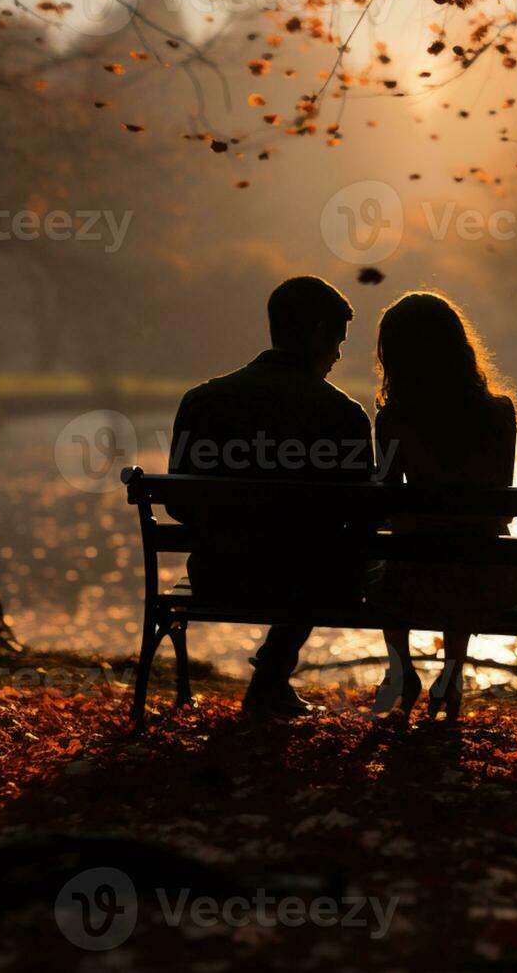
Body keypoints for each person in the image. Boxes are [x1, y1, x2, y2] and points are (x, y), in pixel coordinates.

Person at [169, 276, 373, 716]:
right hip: (311, 585)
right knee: (325, 559)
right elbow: (360, 520)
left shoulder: (201, 402)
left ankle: (270, 679)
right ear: (319, 332)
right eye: (338, 340)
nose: (338, 354)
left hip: (218, 577)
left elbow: (178, 504)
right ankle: (271, 674)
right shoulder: (343, 415)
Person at [370, 292, 517, 721]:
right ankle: (451, 673)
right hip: (487, 580)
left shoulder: (393, 418)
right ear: (458, 346)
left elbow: (389, 502)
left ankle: (401, 670)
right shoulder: (498, 414)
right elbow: (498, 509)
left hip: (411, 579)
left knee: (383, 569)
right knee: (471, 551)